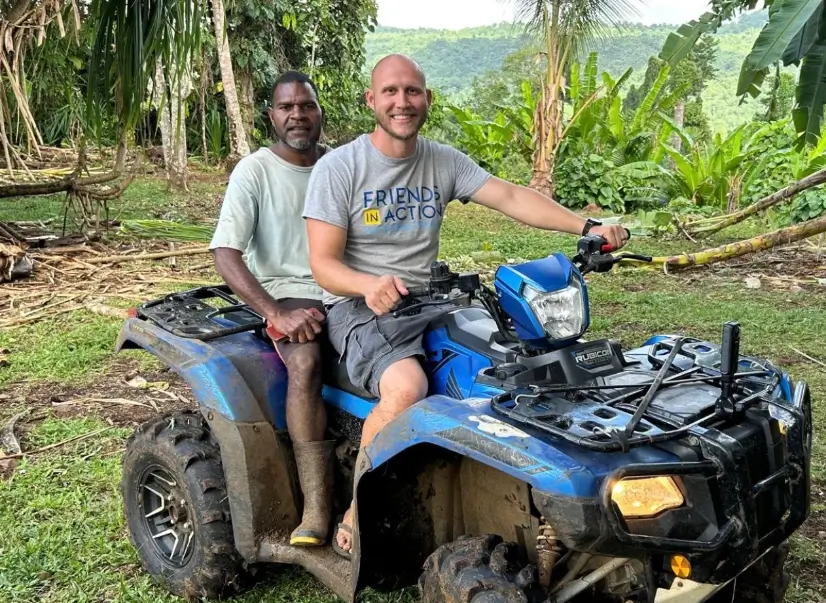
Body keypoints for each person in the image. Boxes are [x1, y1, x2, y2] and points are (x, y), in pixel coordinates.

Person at [302, 54, 628, 558]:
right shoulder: (339, 168)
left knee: (512, 363)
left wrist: (588, 228)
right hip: (359, 306)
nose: (402, 102)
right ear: (372, 100)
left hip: (432, 300)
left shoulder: (442, 161)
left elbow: (513, 197)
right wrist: (367, 285)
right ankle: (355, 511)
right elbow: (323, 265)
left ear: (427, 99)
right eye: (390, 92)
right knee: (406, 387)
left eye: (412, 91)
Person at [208, 70, 335, 548]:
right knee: (304, 362)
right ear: (272, 116)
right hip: (288, 291)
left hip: (343, 288)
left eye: (306, 105)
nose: (298, 115)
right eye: (287, 107)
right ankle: (316, 506)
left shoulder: (338, 164)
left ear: (320, 112)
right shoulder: (256, 171)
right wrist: (274, 313)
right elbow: (226, 252)